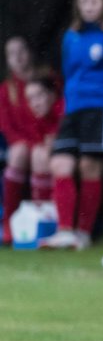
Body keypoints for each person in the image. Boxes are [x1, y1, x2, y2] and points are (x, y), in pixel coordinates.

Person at [40, 0, 103, 250]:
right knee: (60, 164)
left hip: (101, 106)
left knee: (89, 166)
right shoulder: (71, 36)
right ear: (78, 6)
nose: (89, 7)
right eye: (84, 2)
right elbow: (69, 71)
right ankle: (64, 230)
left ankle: (84, 233)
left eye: (94, 1)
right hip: (74, 106)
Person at [1, 60, 62, 246]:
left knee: (40, 155)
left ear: (52, 95)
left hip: (65, 159)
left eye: (39, 96)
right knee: (28, 153)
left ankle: (44, 221)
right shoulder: (32, 112)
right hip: (40, 156)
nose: (34, 103)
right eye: (30, 98)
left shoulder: (62, 110)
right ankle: (10, 222)